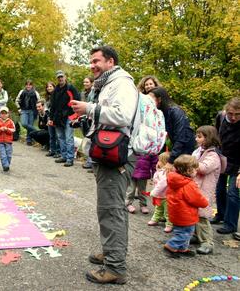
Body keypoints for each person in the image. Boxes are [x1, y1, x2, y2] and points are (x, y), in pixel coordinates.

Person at [71, 46, 140, 284]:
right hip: (108, 153)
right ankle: (111, 251)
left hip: (117, 156)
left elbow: (122, 116)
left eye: (96, 61)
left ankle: (115, 268)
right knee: (110, 209)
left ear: (110, 61)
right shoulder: (108, 83)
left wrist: (90, 108)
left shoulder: (121, 84)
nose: (92, 65)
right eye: (90, 61)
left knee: (111, 210)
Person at [126, 76, 163, 213]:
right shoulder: (139, 100)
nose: (148, 86)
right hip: (137, 152)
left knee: (142, 186)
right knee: (131, 185)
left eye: (150, 84)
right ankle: (128, 202)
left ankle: (142, 204)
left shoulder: (157, 109)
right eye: (146, 84)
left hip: (146, 157)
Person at [164, 155, 208, 258]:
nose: (196, 172)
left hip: (176, 213)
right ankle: (171, 246)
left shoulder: (174, 180)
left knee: (181, 231)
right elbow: (196, 198)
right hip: (186, 214)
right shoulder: (188, 184)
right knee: (186, 233)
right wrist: (205, 203)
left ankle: (182, 248)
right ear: (189, 171)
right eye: (195, 170)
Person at [191, 126, 223, 254]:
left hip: (205, 190)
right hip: (196, 188)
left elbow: (204, 168)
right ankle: (196, 235)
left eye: (199, 136)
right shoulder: (198, 151)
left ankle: (207, 242)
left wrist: (189, 162)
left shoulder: (213, 155)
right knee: (193, 213)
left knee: (202, 216)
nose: (196, 139)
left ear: (208, 138)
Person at [212, 97, 240, 234]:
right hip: (222, 157)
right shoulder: (221, 116)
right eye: (231, 113)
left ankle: (231, 224)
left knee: (233, 193)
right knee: (219, 189)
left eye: (237, 114)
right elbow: (216, 135)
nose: (233, 117)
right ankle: (220, 215)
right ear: (226, 111)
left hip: (238, 160)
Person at [147, 87, 196, 165]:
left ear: (159, 99)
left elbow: (181, 137)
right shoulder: (160, 113)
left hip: (184, 152)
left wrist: (171, 160)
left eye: (150, 99)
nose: (148, 101)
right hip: (175, 149)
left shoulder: (175, 111)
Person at [49, 70, 80, 167]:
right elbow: (52, 106)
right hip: (58, 117)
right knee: (61, 137)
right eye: (58, 77)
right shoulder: (55, 91)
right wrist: (51, 118)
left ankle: (70, 158)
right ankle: (64, 156)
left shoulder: (71, 88)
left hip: (69, 116)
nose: (60, 79)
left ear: (65, 77)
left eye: (62, 77)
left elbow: (77, 101)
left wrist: (76, 116)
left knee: (68, 137)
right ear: (57, 78)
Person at [147, 152, 173, 233]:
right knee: (158, 208)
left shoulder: (166, 173)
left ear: (165, 163)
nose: (158, 162)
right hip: (160, 195)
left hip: (165, 196)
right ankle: (155, 219)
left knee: (167, 211)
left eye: (160, 161)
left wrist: (154, 192)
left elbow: (162, 184)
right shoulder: (160, 171)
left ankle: (169, 224)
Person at [16, 80, 40, 145]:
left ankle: (29, 140)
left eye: (30, 85)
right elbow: (17, 100)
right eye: (27, 84)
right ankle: (37, 131)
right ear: (25, 85)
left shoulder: (35, 93)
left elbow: (39, 102)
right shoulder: (22, 92)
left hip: (32, 111)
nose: (28, 86)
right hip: (23, 110)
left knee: (30, 125)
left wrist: (38, 110)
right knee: (24, 124)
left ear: (32, 86)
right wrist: (19, 108)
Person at [0, 106, 15, 172]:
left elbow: (13, 130)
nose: (4, 115)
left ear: (8, 114)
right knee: (3, 154)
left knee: (9, 154)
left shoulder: (10, 122)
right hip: (0, 141)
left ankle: (7, 164)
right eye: (2, 113)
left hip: (8, 141)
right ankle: (5, 166)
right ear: (0, 114)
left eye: (5, 113)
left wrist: (7, 129)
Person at [44, 82, 60, 158]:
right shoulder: (47, 97)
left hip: (56, 118)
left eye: (50, 86)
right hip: (49, 117)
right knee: (52, 135)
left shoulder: (57, 95)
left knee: (57, 135)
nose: (49, 88)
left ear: (54, 87)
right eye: (48, 87)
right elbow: (46, 107)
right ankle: (52, 150)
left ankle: (58, 151)